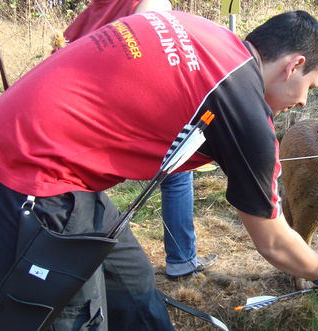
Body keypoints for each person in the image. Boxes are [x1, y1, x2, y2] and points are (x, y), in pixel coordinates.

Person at [0, 9, 318, 330]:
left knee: (134, 288)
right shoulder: (243, 108)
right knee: (72, 314)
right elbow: (273, 241)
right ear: (294, 65)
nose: (303, 100)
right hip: (26, 173)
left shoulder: (203, 32)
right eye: (310, 86)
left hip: (45, 155)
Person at [63, 0, 218, 279]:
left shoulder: (102, 5)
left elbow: (68, 49)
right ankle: (181, 258)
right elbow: (150, 56)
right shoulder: (151, 3)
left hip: (81, 109)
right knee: (177, 171)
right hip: (116, 109)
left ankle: (79, 257)